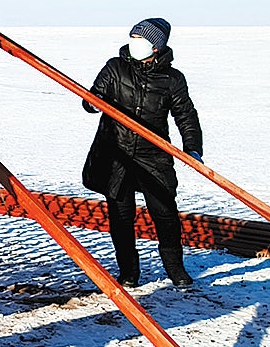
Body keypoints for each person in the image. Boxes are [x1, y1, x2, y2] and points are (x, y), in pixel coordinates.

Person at [83, 17, 201, 289]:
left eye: (142, 41)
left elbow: (186, 114)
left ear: (156, 47)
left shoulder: (172, 79)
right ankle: (128, 273)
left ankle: (175, 269)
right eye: (133, 38)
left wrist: (192, 147)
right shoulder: (115, 68)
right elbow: (92, 97)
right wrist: (93, 104)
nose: (135, 44)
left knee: (165, 213)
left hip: (153, 155)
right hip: (116, 153)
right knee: (121, 216)